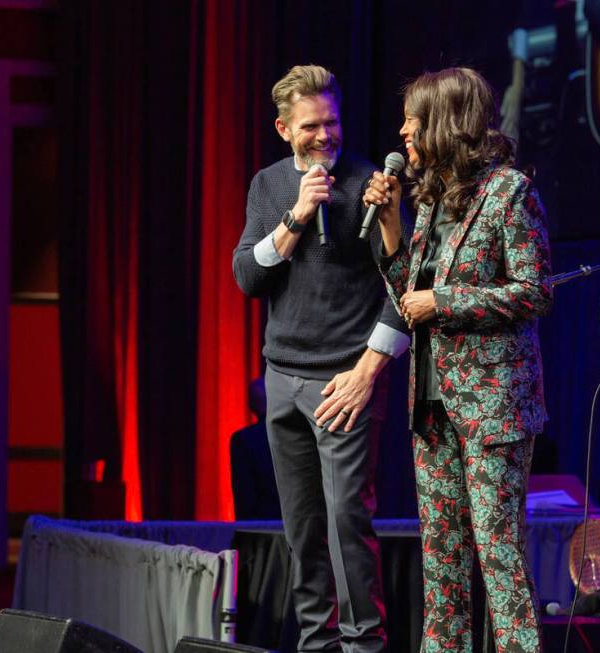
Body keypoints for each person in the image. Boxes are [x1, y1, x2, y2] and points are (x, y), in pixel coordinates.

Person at [365, 67, 553, 653]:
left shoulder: (510, 194)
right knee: (441, 564)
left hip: (493, 408)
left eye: (413, 122)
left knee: (499, 560)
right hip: (433, 404)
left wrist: (444, 301)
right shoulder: (431, 201)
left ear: (445, 124)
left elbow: (535, 289)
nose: (402, 133)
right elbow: (407, 299)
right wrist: (393, 227)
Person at [232, 65, 409, 653]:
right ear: (284, 129)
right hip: (281, 377)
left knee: (345, 525)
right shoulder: (269, 186)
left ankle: (364, 645)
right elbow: (247, 278)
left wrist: (367, 372)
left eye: (331, 122)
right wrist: (296, 217)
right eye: (310, 126)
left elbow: (403, 286)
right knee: (302, 529)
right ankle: (317, 644)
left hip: (344, 381)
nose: (324, 136)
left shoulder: (368, 181)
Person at [229, 377, 281, 521]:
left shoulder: (243, 439)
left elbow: (244, 495)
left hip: (258, 528)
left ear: (251, 405)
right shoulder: (303, 434)